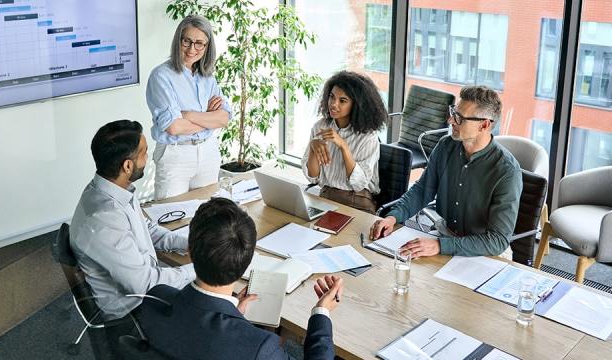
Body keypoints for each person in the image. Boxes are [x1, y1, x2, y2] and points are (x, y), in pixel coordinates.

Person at [138, 198, 343, 359]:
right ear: (247, 261)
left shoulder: (154, 300)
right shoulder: (259, 347)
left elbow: (197, 337)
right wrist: (321, 313)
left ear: (190, 252)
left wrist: (234, 315)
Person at [370, 85, 523, 258]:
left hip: (485, 251)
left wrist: (440, 245)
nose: (450, 121)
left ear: (484, 125)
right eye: (453, 112)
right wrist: (393, 217)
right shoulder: (445, 145)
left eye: (460, 118)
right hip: (444, 235)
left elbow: (497, 240)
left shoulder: (507, 171)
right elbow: (422, 190)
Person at [69, 120, 195, 323]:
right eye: (144, 153)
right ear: (127, 166)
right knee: (215, 305)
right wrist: (203, 268)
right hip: (134, 313)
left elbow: (146, 229)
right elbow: (146, 285)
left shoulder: (112, 188)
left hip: (144, 289)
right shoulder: (104, 219)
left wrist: (186, 243)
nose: (148, 158)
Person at [146, 15, 231, 200]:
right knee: (172, 217)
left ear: (207, 46)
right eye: (187, 41)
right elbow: (174, 127)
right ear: (179, 41)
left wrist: (187, 114)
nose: (192, 49)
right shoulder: (161, 76)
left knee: (209, 217)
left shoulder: (208, 77)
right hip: (175, 154)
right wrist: (209, 118)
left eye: (199, 43)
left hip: (208, 152)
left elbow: (224, 118)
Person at [301, 71, 388, 213]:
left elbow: (359, 184)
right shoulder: (320, 127)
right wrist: (313, 148)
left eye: (342, 100)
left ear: (356, 105)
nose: (333, 104)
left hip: (357, 202)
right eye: (332, 97)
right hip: (326, 196)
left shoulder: (368, 137)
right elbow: (313, 177)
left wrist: (343, 146)